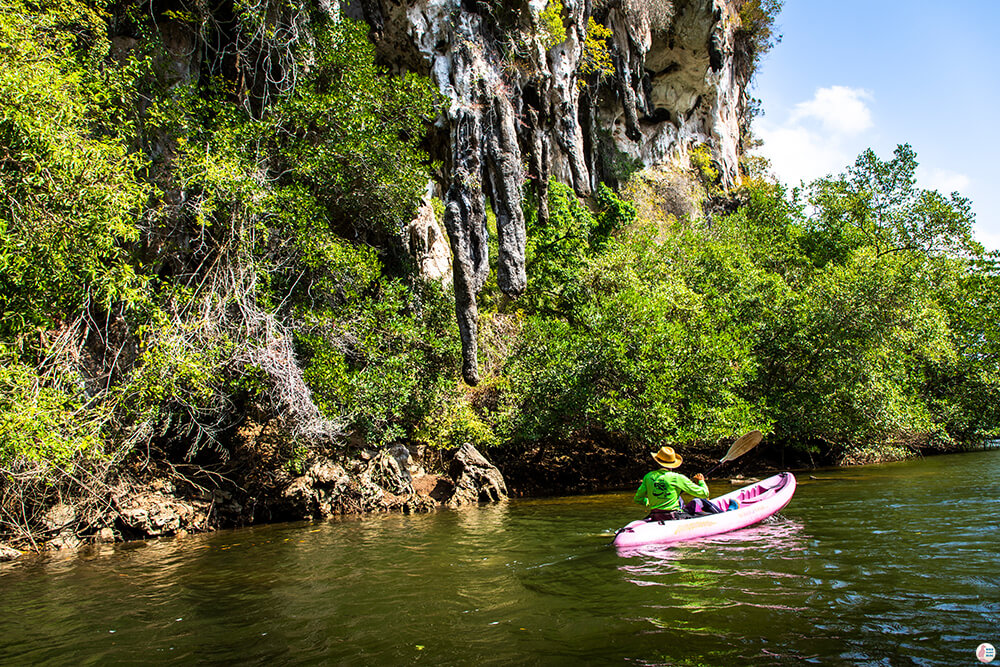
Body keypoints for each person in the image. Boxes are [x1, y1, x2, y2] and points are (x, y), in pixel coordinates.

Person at [633, 445, 710, 521]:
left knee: (679, 498)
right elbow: (704, 493)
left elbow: (638, 499)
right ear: (672, 464)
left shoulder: (648, 477)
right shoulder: (677, 477)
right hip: (673, 517)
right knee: (699, 500)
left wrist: (651, 502)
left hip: (655, 516)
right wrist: (701, 481)